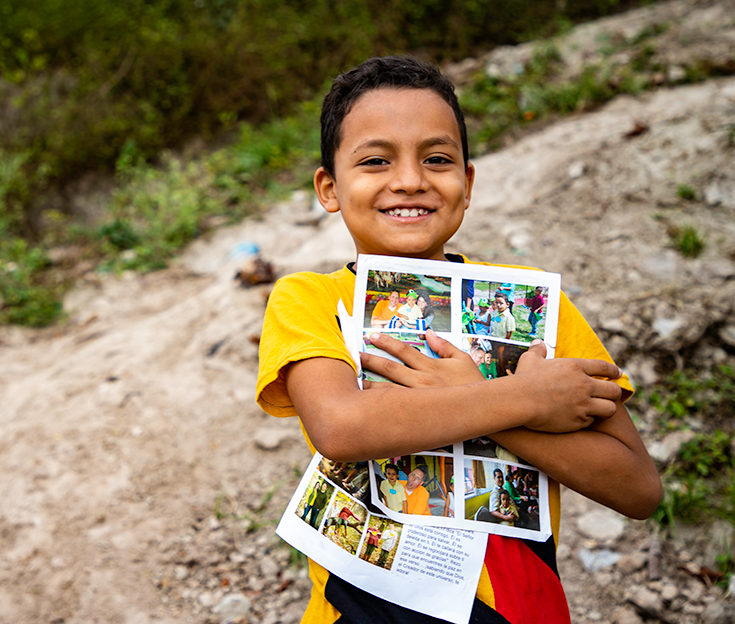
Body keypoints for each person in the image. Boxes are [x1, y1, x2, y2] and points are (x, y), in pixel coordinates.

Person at [256, 55, 660, 623]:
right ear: (329, 187)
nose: (410, 180)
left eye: (437, 159)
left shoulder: (539, 311)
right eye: (375, 160)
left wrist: (482, 402)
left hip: (518, 606)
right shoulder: (311, 299)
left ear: (466, 184)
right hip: (361, 610)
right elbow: (342, 427)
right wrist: (525, 401)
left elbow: (639, 489)